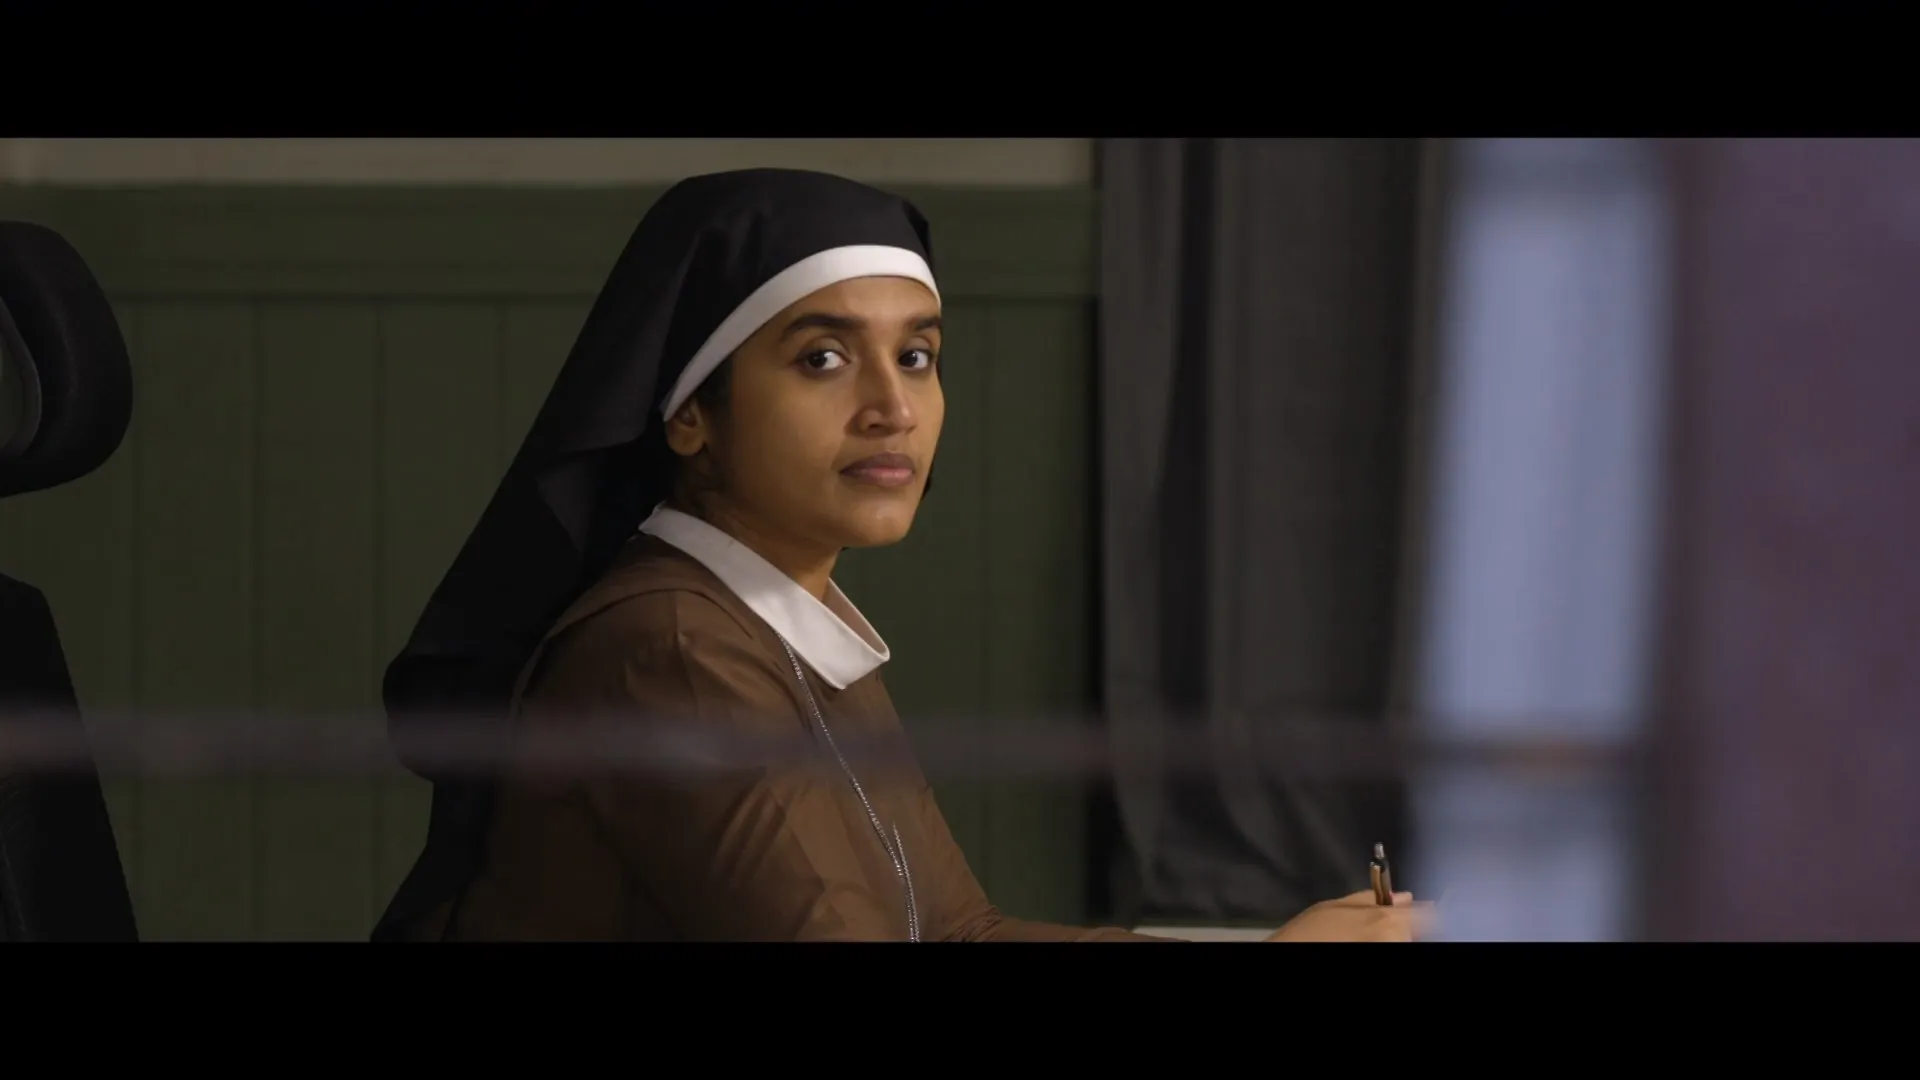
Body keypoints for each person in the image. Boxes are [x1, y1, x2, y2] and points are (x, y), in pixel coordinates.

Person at [374, 168, 1433, 942]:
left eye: (917, 355)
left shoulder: (781, 618)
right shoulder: (672, 650)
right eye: (823, 357)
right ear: (690, 413)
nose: (893, 407)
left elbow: (962, 931)